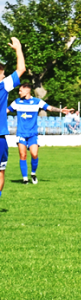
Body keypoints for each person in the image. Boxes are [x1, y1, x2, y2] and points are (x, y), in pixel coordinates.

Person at [8, 84, 73, 184]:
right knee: (23, 155)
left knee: (34, 154)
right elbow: (6, 111)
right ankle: (25, 178)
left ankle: (33, 174)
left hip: (33, 134)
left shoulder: (37, 102)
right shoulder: (17, 102)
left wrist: (61, 110)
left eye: (20, 91)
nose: (19, 92)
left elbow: (49, 108)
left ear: (27, 91)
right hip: (21, 133)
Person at [0, 38, 25, 200]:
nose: (3, 72)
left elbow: (21, 69)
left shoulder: (3, 85)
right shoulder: (3, 85)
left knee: (0, 171)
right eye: (1, 70)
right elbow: (21, 69)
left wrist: (18, 49)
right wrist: (18, 49)